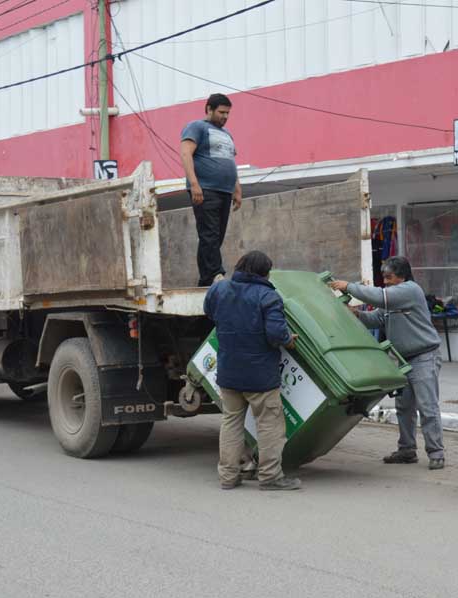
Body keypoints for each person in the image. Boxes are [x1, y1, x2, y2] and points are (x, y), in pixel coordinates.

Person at [329, 256, 446, 469]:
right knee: (404, 407)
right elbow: (378, 318)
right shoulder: (393, 298)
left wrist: (349, 286)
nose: (386, 281)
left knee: (427, 407)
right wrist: (357, 314)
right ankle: (407, 450)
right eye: (384, 277)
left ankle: (436, 453)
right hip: (403, 359)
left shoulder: (409, 290)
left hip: (424, 357)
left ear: (402, 276)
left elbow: (380, 297)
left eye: (389, 277)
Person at [203, 250, 301, 491]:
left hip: (229, 371)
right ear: (264, 272)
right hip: (260, 376)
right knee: (269, 425)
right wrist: (289, 339)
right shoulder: (268, 296)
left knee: (231, 423)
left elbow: (209, 312)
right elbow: (276, 334)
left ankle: (228, 477)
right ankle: (269, 477)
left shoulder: (219, 290)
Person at [181, 93, 243, 287]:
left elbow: (230, 160)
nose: (225, 116)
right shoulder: (197, 127)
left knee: (216, 237)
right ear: (209, 109)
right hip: (205, 189)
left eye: (228, 113)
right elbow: (185, 153)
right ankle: (215, 273)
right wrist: (194, 184)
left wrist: (237, 188)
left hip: (224, 191)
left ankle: (206, 279)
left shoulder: (227, 135)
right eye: (221, 112)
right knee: (209, 234)